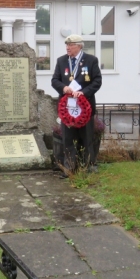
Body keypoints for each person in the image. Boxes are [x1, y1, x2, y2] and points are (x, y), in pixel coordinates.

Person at [51, 34, 102, 177]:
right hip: (67, 108)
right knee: (68, 139)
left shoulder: (91, 60)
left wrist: (84, 93)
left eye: (71, 45)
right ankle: (69, 169)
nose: (68, 47)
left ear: (79, 46)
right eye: (67, 45)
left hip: (85, 107)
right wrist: (63, 88)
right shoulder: (61, 61)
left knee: (86, 138)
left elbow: (97, 81)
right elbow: (55, 80)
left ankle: (88, 167)